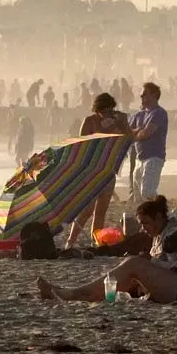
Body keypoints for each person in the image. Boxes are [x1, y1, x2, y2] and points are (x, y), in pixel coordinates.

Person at [36, 192, 177, 304]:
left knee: (134, 264)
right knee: (131, 270)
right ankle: (78, 293)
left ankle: (73, 293)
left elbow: (169, 245)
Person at [65, 93, 134, 248]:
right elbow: (82, 144)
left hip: (109, 169)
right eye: (104, 111)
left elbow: (129, 139)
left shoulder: (118, 121)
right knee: (87, 209)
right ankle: (71, 241)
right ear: (97, 109)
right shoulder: (90, 121)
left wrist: (122, 124)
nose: (107, 114)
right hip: (92, 170)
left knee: (101, 210)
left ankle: (97, 241)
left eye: (110, 111)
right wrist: (104, 130)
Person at [129, 82, 169, 203]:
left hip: (154, 157)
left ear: (154, 95)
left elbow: (146, 133)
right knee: (138, 196)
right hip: (140, 159)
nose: (141, 97)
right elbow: (127, 132)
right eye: (141, 95)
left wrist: (135, 135)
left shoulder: (159, 113)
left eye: (145, 94)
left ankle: (164, 214)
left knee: (147, 192)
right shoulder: (138, 115)